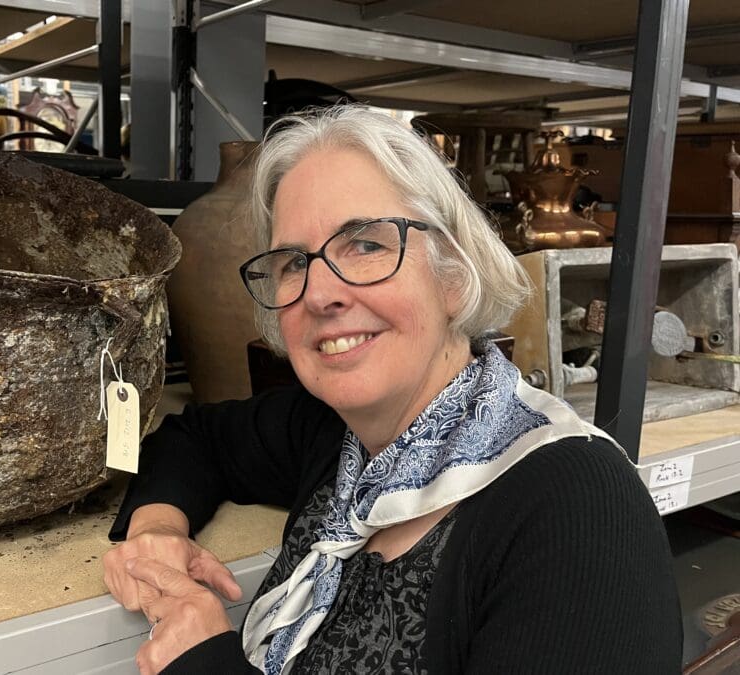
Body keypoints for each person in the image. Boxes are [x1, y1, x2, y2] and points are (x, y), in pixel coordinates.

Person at [102, 105, 681, 674]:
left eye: (367, 244)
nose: (320, 293)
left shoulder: (577, 512)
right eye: (293, 262)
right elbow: (194, 437)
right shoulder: (339, 438)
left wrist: (204, 664)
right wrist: (157, 531)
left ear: (454, 272)